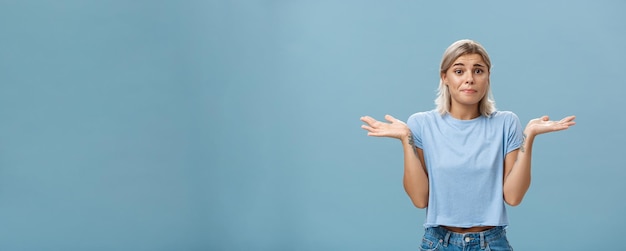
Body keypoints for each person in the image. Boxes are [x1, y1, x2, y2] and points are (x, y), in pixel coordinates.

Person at [360, 39, 575, 251]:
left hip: (491, 243)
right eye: (459, 71)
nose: (469, 79)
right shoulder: (421, 124)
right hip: (438, 243)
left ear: (488, 77)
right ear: (445, 77)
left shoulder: (506, 123)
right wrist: (406, 139)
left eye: (478, 71)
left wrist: (529, 136)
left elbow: (513, 197)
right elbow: (419, 199)